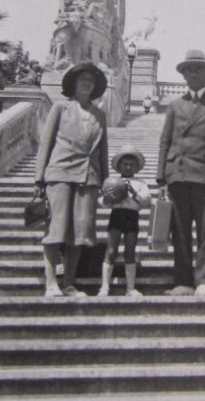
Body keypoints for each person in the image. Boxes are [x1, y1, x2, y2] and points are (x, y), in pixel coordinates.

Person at [156, 49, 205, 297]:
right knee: (179, 231)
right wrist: (161, 177)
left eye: (198, 69)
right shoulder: (174, 105)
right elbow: (164, 141)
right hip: (177, 174)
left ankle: (203, 281)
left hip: (204, 175)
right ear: (183, 75)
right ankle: (182, 281)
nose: (192, 73)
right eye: (188, 70)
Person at [34, 61, 109, 299]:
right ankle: (50, 282)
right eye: (82, 80)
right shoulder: (60, 108)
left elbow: (102, 150)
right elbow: (45, 143)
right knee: (56, 229)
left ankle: (69, 283)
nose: (87, 83)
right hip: (61, 172)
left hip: (89, 176)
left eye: (91, 81)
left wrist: (104, 180)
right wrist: (39, 178)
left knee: (81, 231)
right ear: (73, 84)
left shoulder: (100, 114)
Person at [99, 146, 152, 299]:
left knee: (130, 251)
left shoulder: (140, 183)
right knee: (111, 250)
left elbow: (146, 201)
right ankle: (104, 286)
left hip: (131, 217)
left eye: (131, 164)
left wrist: (133, 193)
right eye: (125, 164)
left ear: (136, 167)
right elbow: (102, 202)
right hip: (116, 215)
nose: (128, 167)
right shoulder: (112, 181)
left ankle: (130, 288)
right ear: (119, 165)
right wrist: (110, 196)